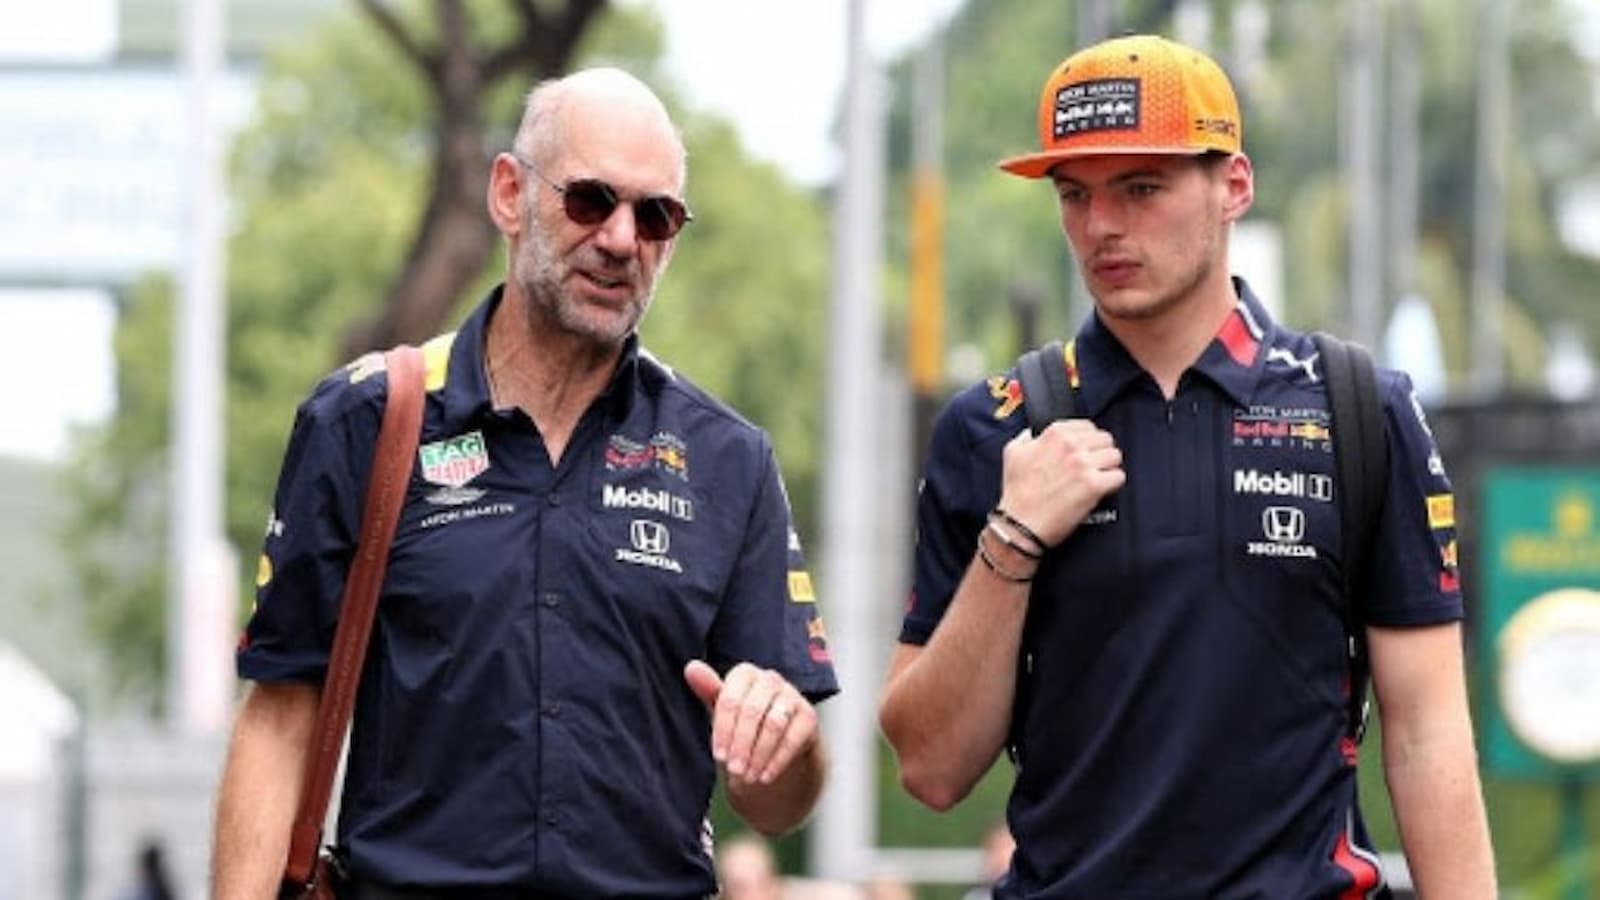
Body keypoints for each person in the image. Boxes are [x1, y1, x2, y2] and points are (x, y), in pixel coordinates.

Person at [877, 34, 1496, 898]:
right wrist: (1010, 542)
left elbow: (1428, 732)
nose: (1102, 227)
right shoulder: (993, 428)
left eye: (1142, 188)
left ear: (1233, 186)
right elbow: (931, 768)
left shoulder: (1361, 408)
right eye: (1075, 194)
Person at [212, 67, 838, 899]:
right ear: (509, 194)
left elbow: (779, 803)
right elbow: (280, 719)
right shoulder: (365, 421)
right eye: (590, 200)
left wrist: (789, 744)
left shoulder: (729, 458)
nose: (621, 239)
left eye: (655, 216)